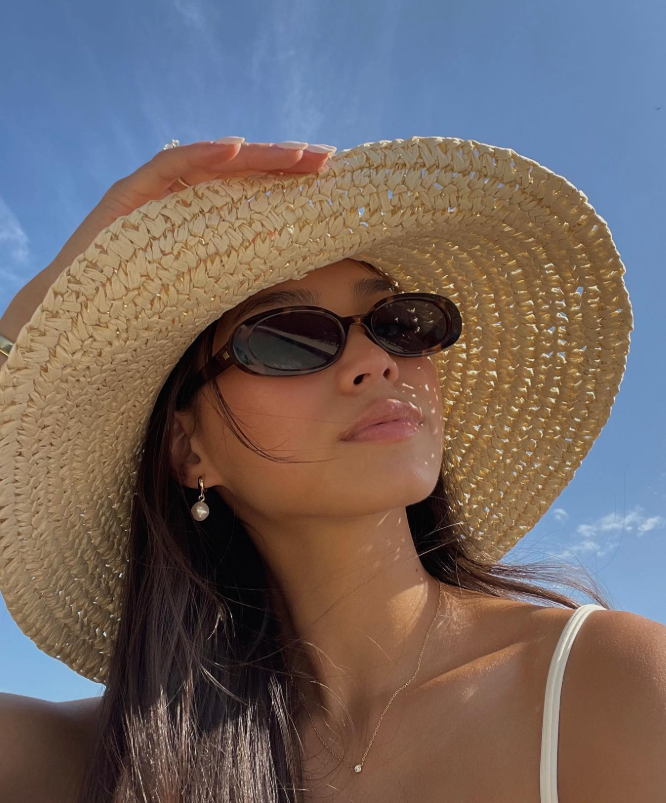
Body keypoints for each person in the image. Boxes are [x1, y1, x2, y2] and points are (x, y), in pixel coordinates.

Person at [0, 136, 664, 803]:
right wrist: (46, 309)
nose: (376, 361)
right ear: (187, 448)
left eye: (400, 322)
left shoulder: (613, 685)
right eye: (289, 336)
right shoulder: (115, 762)